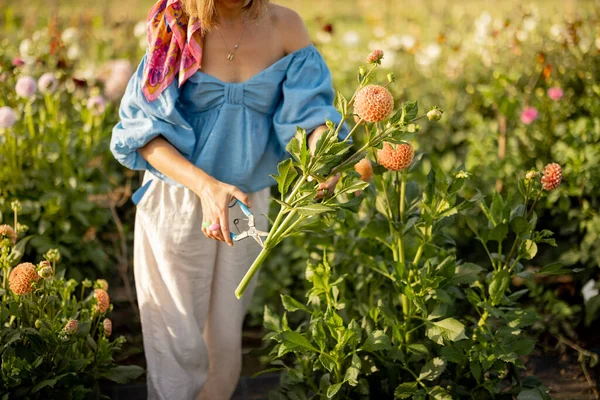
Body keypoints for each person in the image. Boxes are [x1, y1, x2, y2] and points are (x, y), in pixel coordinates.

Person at [110, 0, 349, 398]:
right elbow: (142, 134)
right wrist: (206, 187)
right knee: (177, 344)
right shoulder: (178, 25)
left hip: (247, 202)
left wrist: (324, 156)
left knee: (224, 338)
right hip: (180, 200)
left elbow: (314, 115)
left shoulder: (285, 26)